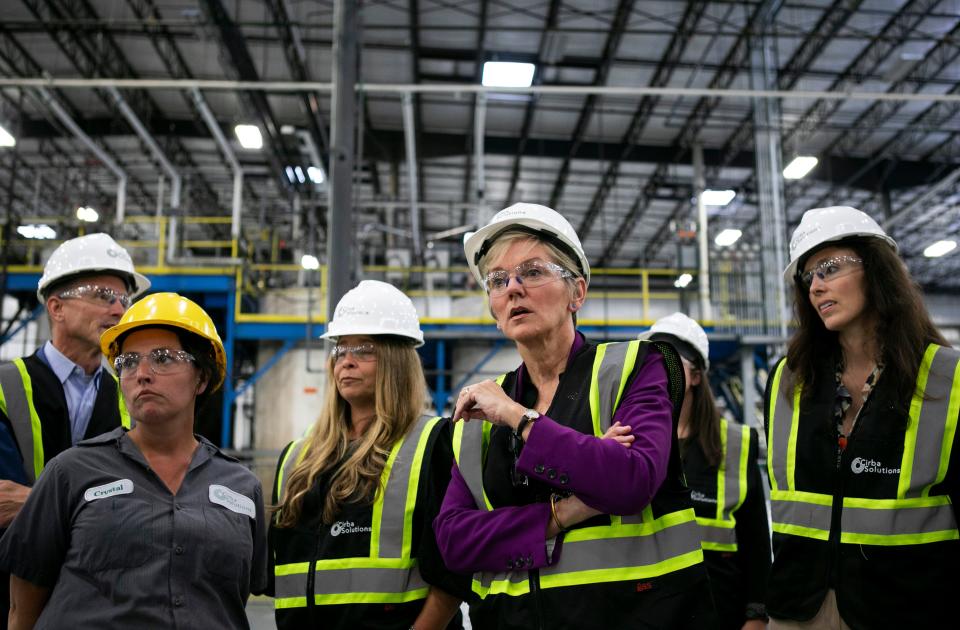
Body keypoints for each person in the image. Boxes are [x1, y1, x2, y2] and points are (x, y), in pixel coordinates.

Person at [433, 203, 714, 629]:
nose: (513, 287)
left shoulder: (634, 367)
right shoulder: (479, 411)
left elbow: (629, 481)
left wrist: (519, 417)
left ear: (577, 293)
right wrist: (560, 514)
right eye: (498, 279)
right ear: (493, 309)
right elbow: (453, 541)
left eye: (532, 271)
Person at [0, 292, 268, 628]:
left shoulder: (242, 488)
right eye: (128, 362)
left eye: (163, 358)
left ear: (201, 377)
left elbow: (229, 599)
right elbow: (22, 610)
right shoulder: (70, 473)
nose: (141, 373)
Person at [764, 206, 960, 629]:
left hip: (907, 609)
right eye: (808, 276)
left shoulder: (948, 378)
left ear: (875, 269)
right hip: (797, 609)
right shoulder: (789, 379)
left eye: (829, 268)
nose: (816, 286)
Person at [270, 280, 462, 630]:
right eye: (340, 350)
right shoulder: (297, 459)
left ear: (396, 360)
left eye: (364, 350)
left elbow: (452, 573)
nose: (347, 362)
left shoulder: (433, 444)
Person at [0, 233, 149, 628]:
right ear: (56, 307)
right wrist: (98, 511)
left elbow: (142, 510)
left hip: (98, 601)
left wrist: (34, 505)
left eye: (124, 300)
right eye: (103, 295)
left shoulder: (133, 397)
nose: (119, 310)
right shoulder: (5, 388)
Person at [642, 312, 771, 629]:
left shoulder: (735, 446)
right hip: (649, 612)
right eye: (650, 361)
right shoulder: (628, 440)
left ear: (697, 375)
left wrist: (755, 617)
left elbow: (756, 546)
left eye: (669, 360)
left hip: (718, 613)